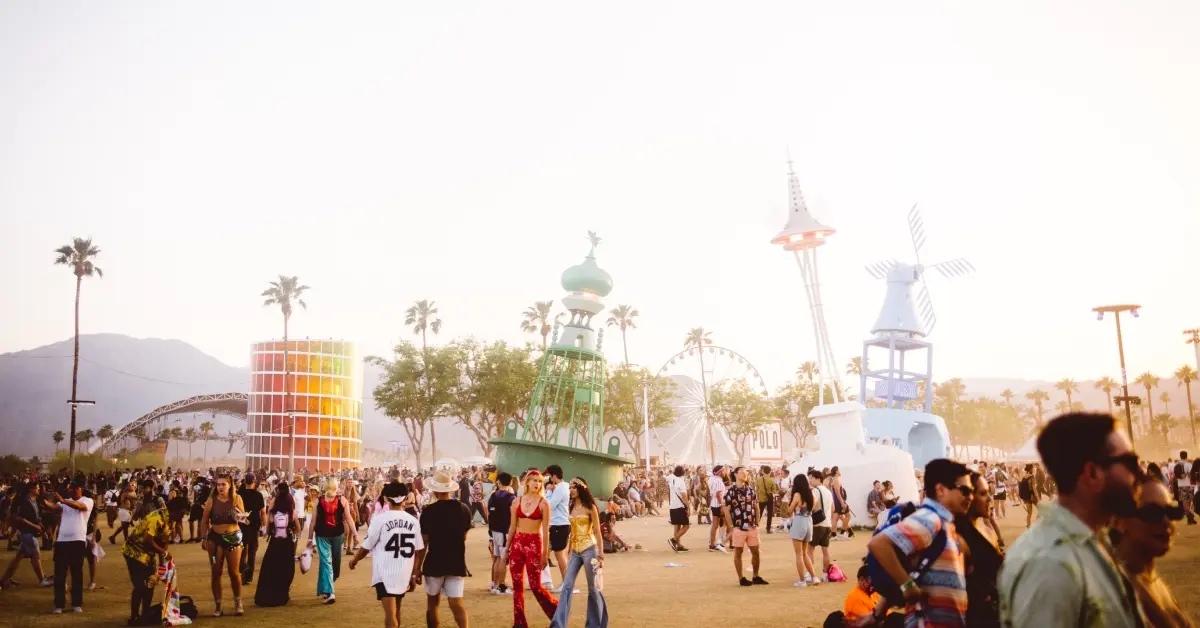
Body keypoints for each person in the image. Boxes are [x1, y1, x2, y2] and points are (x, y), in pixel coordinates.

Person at [999, 413, 1145, 628]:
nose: (1139, 474)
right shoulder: (1049, 564)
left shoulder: (1090, 540)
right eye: (1130, 462)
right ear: (1092, 473)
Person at [866, 458, 972, 628]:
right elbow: (879, 544)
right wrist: (907, 586)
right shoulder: (930, 519)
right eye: (965, 490)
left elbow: (911, 566)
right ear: (941, 490)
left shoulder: (944, 524)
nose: (970, 497)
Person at [1110, 475, 1193, 627]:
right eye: (1152, 513)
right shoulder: (1115, 594)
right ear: (1118, 521)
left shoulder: (1148, 580)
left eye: (1171, 511)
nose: (1166, 521)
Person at [349, 481, 425, 628]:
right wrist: (416, 570)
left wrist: (354, 560)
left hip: (384, 572)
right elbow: (420, 549)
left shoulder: (380, 520)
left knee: (390, 615)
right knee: (396, 611)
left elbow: (367, 546)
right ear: (404, 499)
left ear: (385, 499)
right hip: (404, 572)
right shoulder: (413, 521)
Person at [549, 478, 608, 628]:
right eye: (570, 487)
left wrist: (600, 553)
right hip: (575, 551)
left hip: (590, 550)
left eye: (574, 487)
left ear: (581, 489)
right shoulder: (570, 506)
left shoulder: (590, 507)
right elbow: (571, 532)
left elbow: (597, 531)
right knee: (567, 586)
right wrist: (569, 551)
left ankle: (595, 624)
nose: (571, 490)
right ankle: (558, 624)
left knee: (593, 589)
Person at [419, 470, 472, 628]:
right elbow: (464, 536)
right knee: (457, 603)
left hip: (434, 562)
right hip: (456, 561)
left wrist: (417, 567)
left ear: (435, 490)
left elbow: (424, 542)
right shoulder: (463, 509)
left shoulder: (427, 512)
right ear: (450, 490)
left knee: (433, 603)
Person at [506, 469, 558, 628]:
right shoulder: (517, 501)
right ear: (527, 482)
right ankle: (519, 623)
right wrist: (506, 549)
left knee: (536, 586)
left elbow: (546, 531)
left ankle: (557, 611)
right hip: (517, 544)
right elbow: (512, 527)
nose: (537, 483)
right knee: (517, 585)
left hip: (534, 544)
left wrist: (545, 554)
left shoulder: (544, 503)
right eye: (534, 480)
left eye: (540, 481)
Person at [956, 471, 1002, 628]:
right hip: (976, 618)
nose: (989, 499)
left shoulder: (986, 529)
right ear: (969, 497)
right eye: (983, 494)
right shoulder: (958, 536)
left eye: (989, 493)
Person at [199, 473, 247, 616]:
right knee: (216, 572)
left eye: (223, 484)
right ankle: (218, 605)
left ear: (230, 485)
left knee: (234, 572)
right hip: (214, 540)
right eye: (218, 484)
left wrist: (241, 517)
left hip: (233, 538)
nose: (220, 487)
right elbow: (204, 521)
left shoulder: (237, 498)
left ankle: (238, 602)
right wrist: (203, 538)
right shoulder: (211, 500)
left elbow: (243, 518)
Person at [46, 479, 94, 613]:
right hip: (62, 541)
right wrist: (42, 499)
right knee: (59, 574)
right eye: (71, 489)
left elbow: (80, 507)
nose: (73, 491)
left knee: (76, 573)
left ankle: (76, 603)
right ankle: (59, 604)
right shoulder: (65, 502)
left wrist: (62, 500)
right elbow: (53, 507)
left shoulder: (87, 500)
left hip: (77, 540)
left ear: (81, 489)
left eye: (75, 488)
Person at [121, 497, 170, 624]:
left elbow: (163, 543)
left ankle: (145, 615)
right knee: (140, 586)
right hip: (133, 553)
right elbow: (149, 540)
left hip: (147, 555)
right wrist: (163, 552)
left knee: (150, 583)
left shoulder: (166, 521)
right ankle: (134, 617)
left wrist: (162, 568)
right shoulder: (155, 519)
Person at [254, 482, 299, 607]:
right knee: (286, 568)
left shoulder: (274, 503)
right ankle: (283, 593)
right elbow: (297, 527)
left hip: (275, 541)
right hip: (287, 541)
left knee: (271, 568)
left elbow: (269, 521)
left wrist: (267, 531)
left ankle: (268, 595)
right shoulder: (291, 505)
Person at [0, 482, 52, 589]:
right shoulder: (25, 502)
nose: (39, 490)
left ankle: (4, 580)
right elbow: (21, 519)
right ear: (31, 489)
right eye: (37, 488)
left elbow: (37, 518)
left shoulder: (34, 501)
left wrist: (42, 529)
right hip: (27, 533)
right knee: (36, 556)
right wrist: (35, 527)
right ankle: (42, 580)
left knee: (18, 558)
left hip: (30, 532)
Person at [314, 477, 356, 605]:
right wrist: (355, 535)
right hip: (333, 535)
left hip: (327, 534)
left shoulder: (321, 500)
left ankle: (325, 588)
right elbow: (349, 519)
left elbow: (348, 518)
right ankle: (330, 591)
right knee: (328, 563)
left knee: (329, 564)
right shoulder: (341, 500)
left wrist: (355, 534)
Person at [724, 466, 767, 587]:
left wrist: (757, 521)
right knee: (738, 552)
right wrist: (731, 526)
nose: (745, 474)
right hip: (738, 527)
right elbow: (726, 510)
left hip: (752, 526)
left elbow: (756, 506)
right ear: (736, 474)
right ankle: (741, 578)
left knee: (756, 551)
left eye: (746, 472)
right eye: (742, 472)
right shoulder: (730, 491)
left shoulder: (750, 490)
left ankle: (755, 576)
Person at [787, 473, 819, 588]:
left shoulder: (797, 495)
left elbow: (789, 511)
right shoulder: (812, 494)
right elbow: (814, 508)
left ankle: (802, 580)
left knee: (799, 554)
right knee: (805, 553)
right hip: (809, 522)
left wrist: (787, 503)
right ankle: (814, 577)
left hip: (799, 521)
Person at [487, 472, 516, 594]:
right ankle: (501, 586)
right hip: (505, 531)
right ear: (510, 482)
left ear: (499, 482)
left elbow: (489, 513)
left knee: (497, 558)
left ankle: (494, 583)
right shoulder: (511, 498)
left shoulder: (493, 496)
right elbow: (514, 516)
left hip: (494, 530)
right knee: (503, 558)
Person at [544, 464, 570, 591]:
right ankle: (567, 583)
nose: (548, 479)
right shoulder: (563, 487)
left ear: (554, 476)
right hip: (561, 524)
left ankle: (566, 584)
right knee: (562, 556)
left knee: (560, 557)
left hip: (559, 525)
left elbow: (550, 505)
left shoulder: (560, 488)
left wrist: (548, 491)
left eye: (549, 475)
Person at [237, 474, 267, 585]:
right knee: (252, 552)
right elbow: (263, 513)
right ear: (254, 482)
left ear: (245, 482)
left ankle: (242, 572)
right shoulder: (258, 495)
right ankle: (249, 577)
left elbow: (233, 511)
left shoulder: (239, 494)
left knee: (242, 550)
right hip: (254, 526)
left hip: (241, 525)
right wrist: (264, 527)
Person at [809, 469, 834, 580]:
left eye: (811, 478)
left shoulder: (815, 491)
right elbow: (833, 508)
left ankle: (810, 574)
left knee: (810, 549)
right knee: (825, 550)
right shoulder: (828, 491)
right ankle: (825, 574)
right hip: (827, 523)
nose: (810, 480)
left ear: (818, 479)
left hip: (817, 524)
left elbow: (812, 506)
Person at [667, 465, 691, 552]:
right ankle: (673, 540)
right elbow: (684, 496)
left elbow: (668, 477)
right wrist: (688, 507)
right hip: (680, 506)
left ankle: (678, 545)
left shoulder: (671, 479)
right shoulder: (681, 481)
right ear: (683, 473)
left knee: (677, 525)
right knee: (686, 526)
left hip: (672, 506)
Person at [708, 465, 729, 552]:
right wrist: (722, 505)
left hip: (714, 504)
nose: (725, 472)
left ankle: (712, 543)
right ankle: (721, 542)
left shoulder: (712, 479)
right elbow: (719, 494)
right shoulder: (719, 481)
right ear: (720, 472)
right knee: (725, 523)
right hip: (719, 505)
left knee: (715, 525)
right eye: (723, 471)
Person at [755, 465, 779, 534]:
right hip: (769, 499)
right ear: (770, 471)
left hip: (761, 499)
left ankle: (755, 527)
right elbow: (774, 491)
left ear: (763, 471)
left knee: (759, 513)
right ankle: (768, 528)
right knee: (769, 514)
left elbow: (757, 490)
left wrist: (757, 497)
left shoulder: (758, 480)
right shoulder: (772, 480)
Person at [1017, 464, 1040, 528]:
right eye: (1033, 468)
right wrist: (1037, 497)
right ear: (1030, 469)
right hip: (1032, 496)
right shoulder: (1032, 477)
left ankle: (1028, 524)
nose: (1034, 469)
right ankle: (1037, 523)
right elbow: (1034, 488)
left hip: (1026, 497)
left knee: (1029, 512)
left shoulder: (1023, 477)